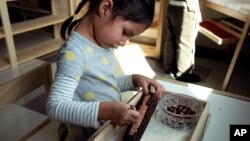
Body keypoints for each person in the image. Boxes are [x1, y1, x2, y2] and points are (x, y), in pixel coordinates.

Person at [46, 0, 162, 140]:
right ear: (105, 8)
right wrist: (108, 111)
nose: (124, 42)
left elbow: (103, 84)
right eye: (125, 32)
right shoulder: (74, 53)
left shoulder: (102, 44)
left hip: (108, 130)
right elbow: (55, 107)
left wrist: (134, 80)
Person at [163, 0, 202, 83]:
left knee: (170, 39)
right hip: (186, 7)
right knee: (185, 42)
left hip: (171, 5)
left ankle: (168, 67)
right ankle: (183, 73)